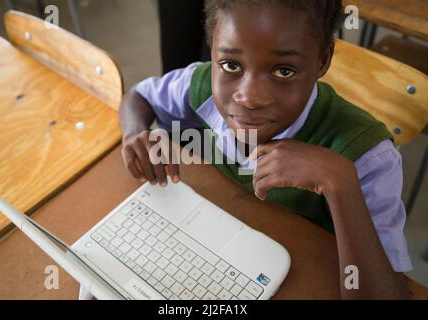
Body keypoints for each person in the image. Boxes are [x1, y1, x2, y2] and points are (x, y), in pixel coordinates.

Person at [119, 0, 412, 299]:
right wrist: (134, 133)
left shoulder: (366, 155)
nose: (249, 97)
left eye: (284, 71)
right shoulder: (204, 83)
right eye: (232, 65)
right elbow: (138, 97)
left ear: (323, 61)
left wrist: (340, 183)